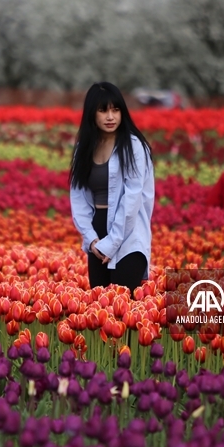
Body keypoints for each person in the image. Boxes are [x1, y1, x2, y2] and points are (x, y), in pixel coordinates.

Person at [69, 82, 155, 291]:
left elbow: (132, 198)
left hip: (128, 232)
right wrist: (91, 239)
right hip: (96, 233)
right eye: (103, 110)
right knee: (98, 306)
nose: (110, 117)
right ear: (92, 113)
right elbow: (78, 196)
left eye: (116, 110)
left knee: (121, 307)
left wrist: (112, 242)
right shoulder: (84, 148)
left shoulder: (134, 146)